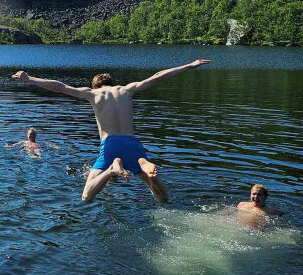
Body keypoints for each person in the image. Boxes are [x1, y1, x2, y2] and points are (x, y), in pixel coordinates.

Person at [11, 59, 211, 202]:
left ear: (96, 84)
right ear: (112, 83)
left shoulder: (93, 93)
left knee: (86, 197)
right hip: (133, 145)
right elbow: (157, 77)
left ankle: (112, 170)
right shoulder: (126, 89)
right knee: (162, 199)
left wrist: (31, 79)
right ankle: (144, 164)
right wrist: (189, 65)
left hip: (110, 146)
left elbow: (59, 86)